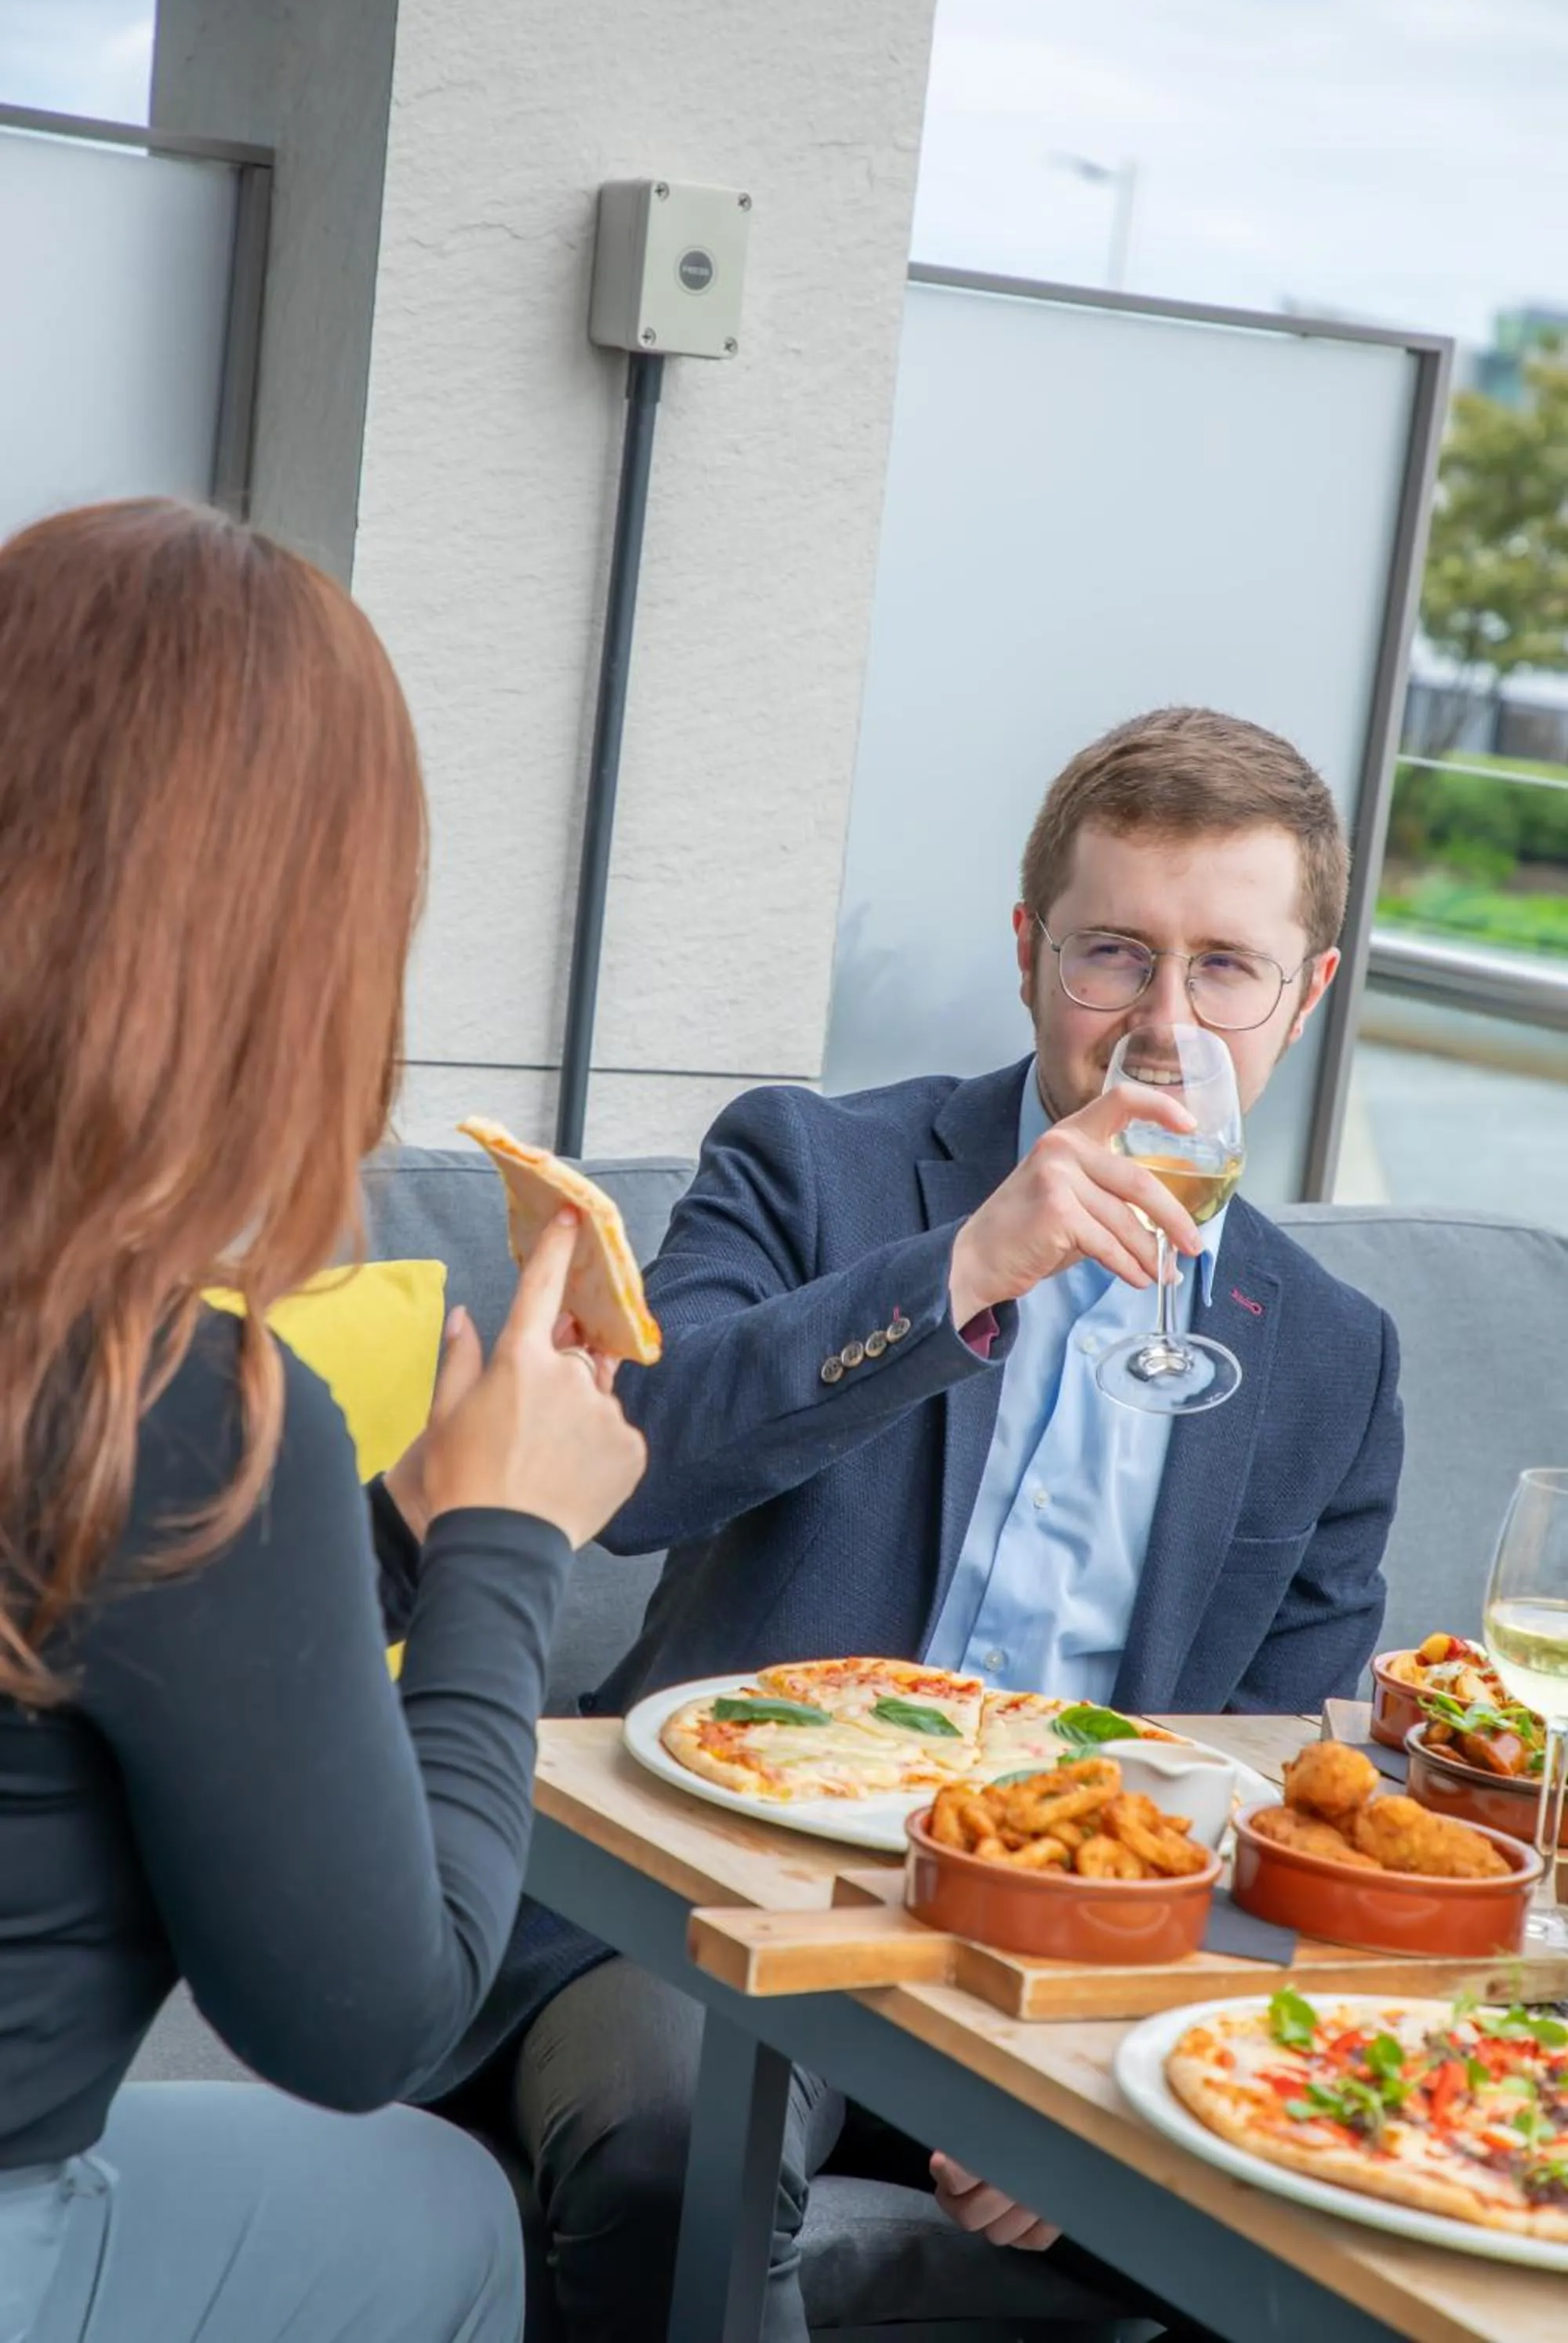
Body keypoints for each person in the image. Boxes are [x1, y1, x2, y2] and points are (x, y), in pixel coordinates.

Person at [483, 706, 1403, 2340]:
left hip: (1070, 1959)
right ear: (1030, 950)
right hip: (722, 1912)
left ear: (1306, 993)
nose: (1165, 1026)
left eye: (1225, 969)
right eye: (1115, 954)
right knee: (674, 2137)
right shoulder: (808, 1164)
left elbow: (1280, 1793)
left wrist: (1118, 2047)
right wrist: (967, 1266)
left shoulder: (1331, 1355)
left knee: (1343, 2225)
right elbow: (636, 1460)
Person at [0, 498, 647, 2343]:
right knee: (437, 2209)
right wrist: (506, 1551)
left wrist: (402, 1530)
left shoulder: (154, 1443)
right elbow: (370, 2022)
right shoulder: (169, 1406)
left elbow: (117, 1634)